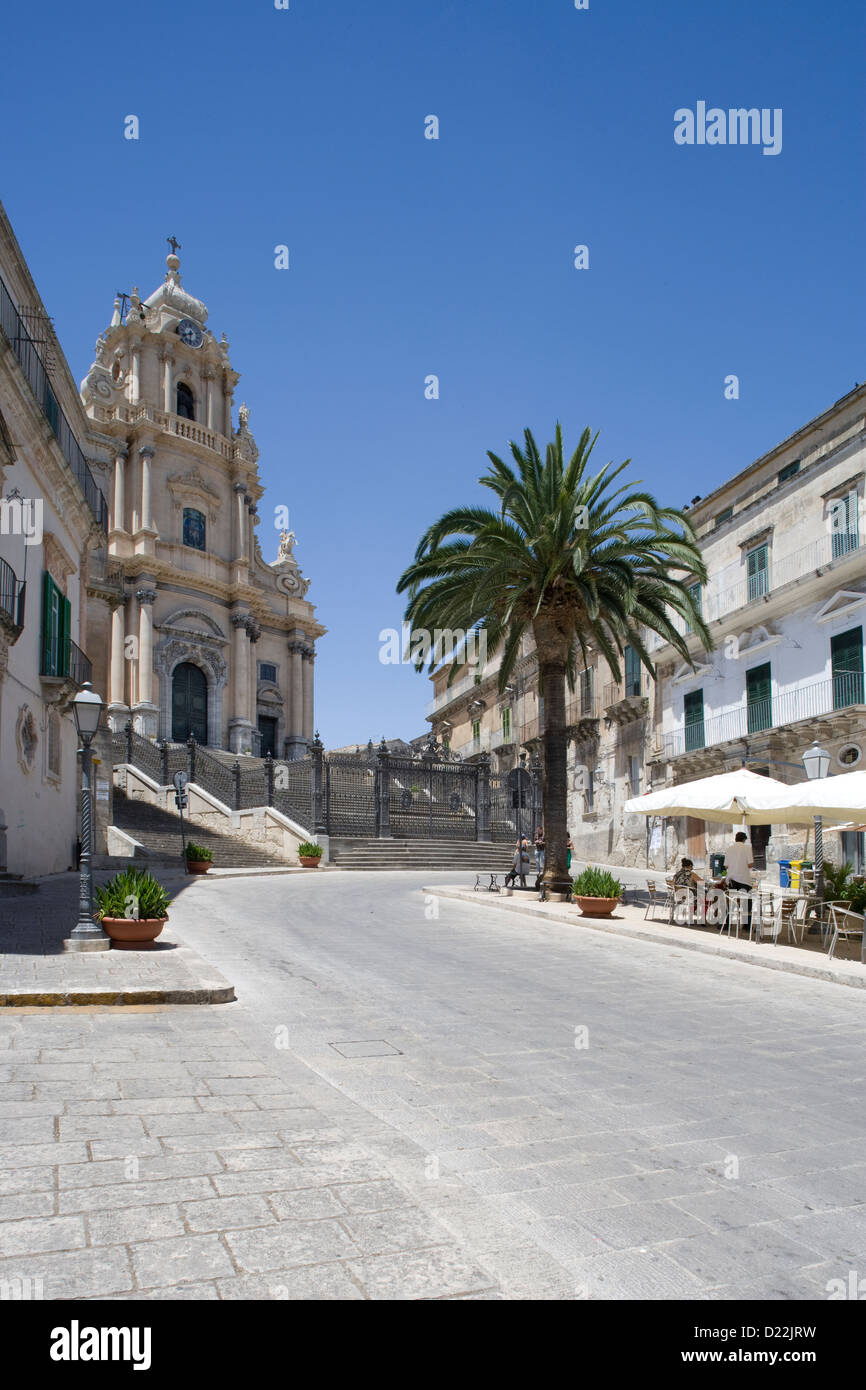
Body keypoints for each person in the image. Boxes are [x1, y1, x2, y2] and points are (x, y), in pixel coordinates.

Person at [723, 831, 754, 928]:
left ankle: (726, 924)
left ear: (735, 839)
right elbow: (750, 864)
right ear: (744, 839)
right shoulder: (747, 848)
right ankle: (746, 925)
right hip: (744, 879)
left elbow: (726, 866)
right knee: (747, 902)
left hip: (732, 879)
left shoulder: (729, 849)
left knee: (730, 902)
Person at [672, 858, 703, 922]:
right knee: (703, 897)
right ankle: (701, 917)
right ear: (690, 866)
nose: (692, 868)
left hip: (677, 896)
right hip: (688, 897)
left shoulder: (677, 874)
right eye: (692, 867)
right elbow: (701, 882)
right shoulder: (691, 874)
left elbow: (672, 883)